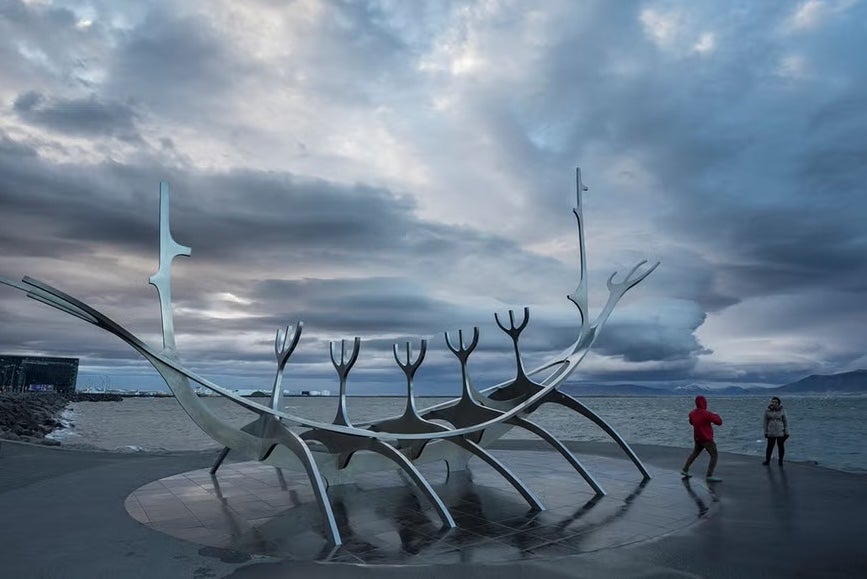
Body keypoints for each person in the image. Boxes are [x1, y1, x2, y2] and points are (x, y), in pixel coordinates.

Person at [681, 395, 723, 482]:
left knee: (694, 454)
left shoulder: (692, 413)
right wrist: (716, 415)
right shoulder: (707, 414)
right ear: (704, 403)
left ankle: (685, 469)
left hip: (697, 438)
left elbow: (691, 422)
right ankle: (709, 475)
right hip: (706, 439)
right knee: (714, 455)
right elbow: (719, 422)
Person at [763, 396, 789, 465]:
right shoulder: (767, 410)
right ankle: (767, 460)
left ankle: (780, 461)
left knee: (781, 446)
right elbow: (765, 422)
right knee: (769, 447)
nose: (774, 403)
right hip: (771, 431)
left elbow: (785, 421)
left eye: (776, 402)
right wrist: (765, 432)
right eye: (773, 402)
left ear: (779, 403)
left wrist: (786, 432)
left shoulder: (782, 410)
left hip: (780, 431)